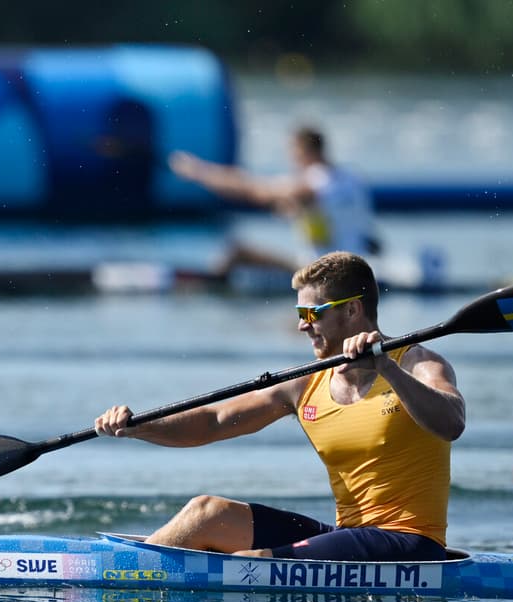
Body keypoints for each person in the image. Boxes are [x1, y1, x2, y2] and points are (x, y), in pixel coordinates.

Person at [93, 250, 465, 561]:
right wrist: (139, 427)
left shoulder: (417, 363)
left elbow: (452, 422)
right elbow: (214, 420)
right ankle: (127, 571)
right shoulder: (305, 383)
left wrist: (386, 367)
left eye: (311, 314)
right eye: (298, 315)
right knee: (206, 514)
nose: (302, 326)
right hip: (350, 536)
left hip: (411, 544)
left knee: (252, 564)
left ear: (352, 310)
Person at [168, 126, 378, 278]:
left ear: (303, 152)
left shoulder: (309, 184)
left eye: (293, 153)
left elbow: (250, 189)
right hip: (358, 263)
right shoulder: (353, 178)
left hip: (321, 271)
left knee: (237, 252)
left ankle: (208, 285)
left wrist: (197, 172)